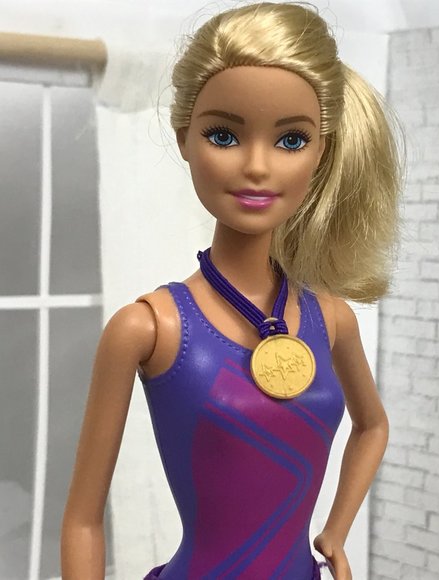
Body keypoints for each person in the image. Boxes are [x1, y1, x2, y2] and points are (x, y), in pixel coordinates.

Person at [61, 2, 404, 579]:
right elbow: (82, 521)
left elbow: (372, 426)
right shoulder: (149, 328)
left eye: (290, 140)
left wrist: (336, 534)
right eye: (224, 135)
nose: (256, 167)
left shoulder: (331, 318)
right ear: (184, 139)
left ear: (322, 150)